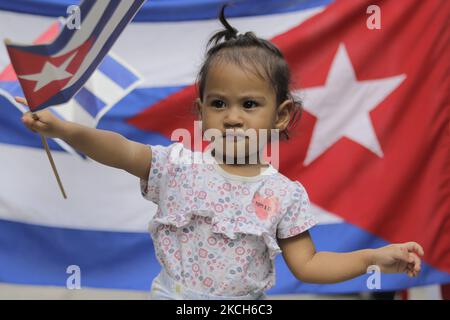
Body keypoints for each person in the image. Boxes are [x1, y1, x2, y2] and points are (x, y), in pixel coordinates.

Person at [18, 7, 423, 300]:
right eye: (218, 104)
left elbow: (309, 266)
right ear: (200, 112)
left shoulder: (285, 195)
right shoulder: (177, 167)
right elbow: (122, 150)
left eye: (249, 105)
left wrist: (371, 257)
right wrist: (64, 129)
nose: (232, 118)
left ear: (281, 116)